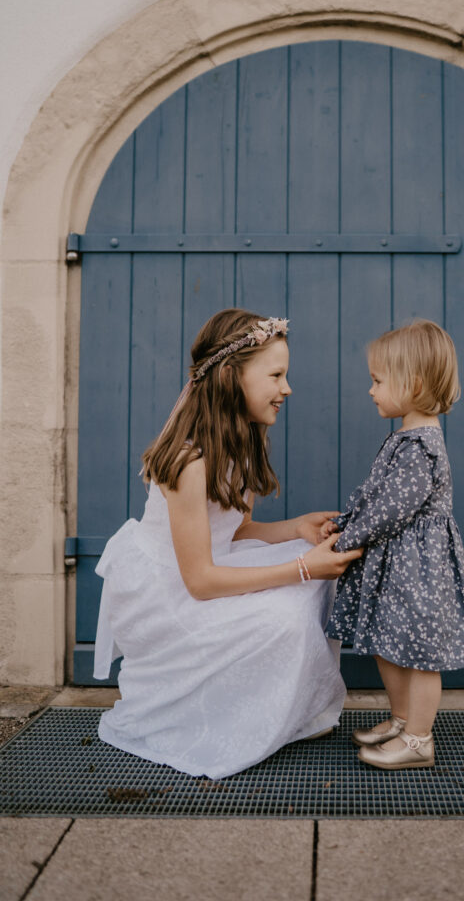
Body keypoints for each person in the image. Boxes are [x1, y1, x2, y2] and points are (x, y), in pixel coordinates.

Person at [93, 308, 361, 779]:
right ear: (231, 377)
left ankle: (279, 711)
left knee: (311, 587)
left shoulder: (245, 441)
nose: (287, 389)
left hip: (213, 563)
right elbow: (199, 581)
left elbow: (235, 531)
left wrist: (297, 528)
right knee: (288, 610)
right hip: (171, 590)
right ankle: (228, 718)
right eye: (276, 375)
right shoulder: (187, 461)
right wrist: (302, 567)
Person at [323, 319, 464, 769]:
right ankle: (402, 719)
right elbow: (375, 498)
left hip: (418, 569)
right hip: (396, 565)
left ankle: (418, 740)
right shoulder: (405, 439)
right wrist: (342, 523)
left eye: (378, 381)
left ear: (413, 385)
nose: (371, 390)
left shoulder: (420, 448)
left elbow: (390, 510)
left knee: (420, 655)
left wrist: (347, 539)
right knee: (388, 643)